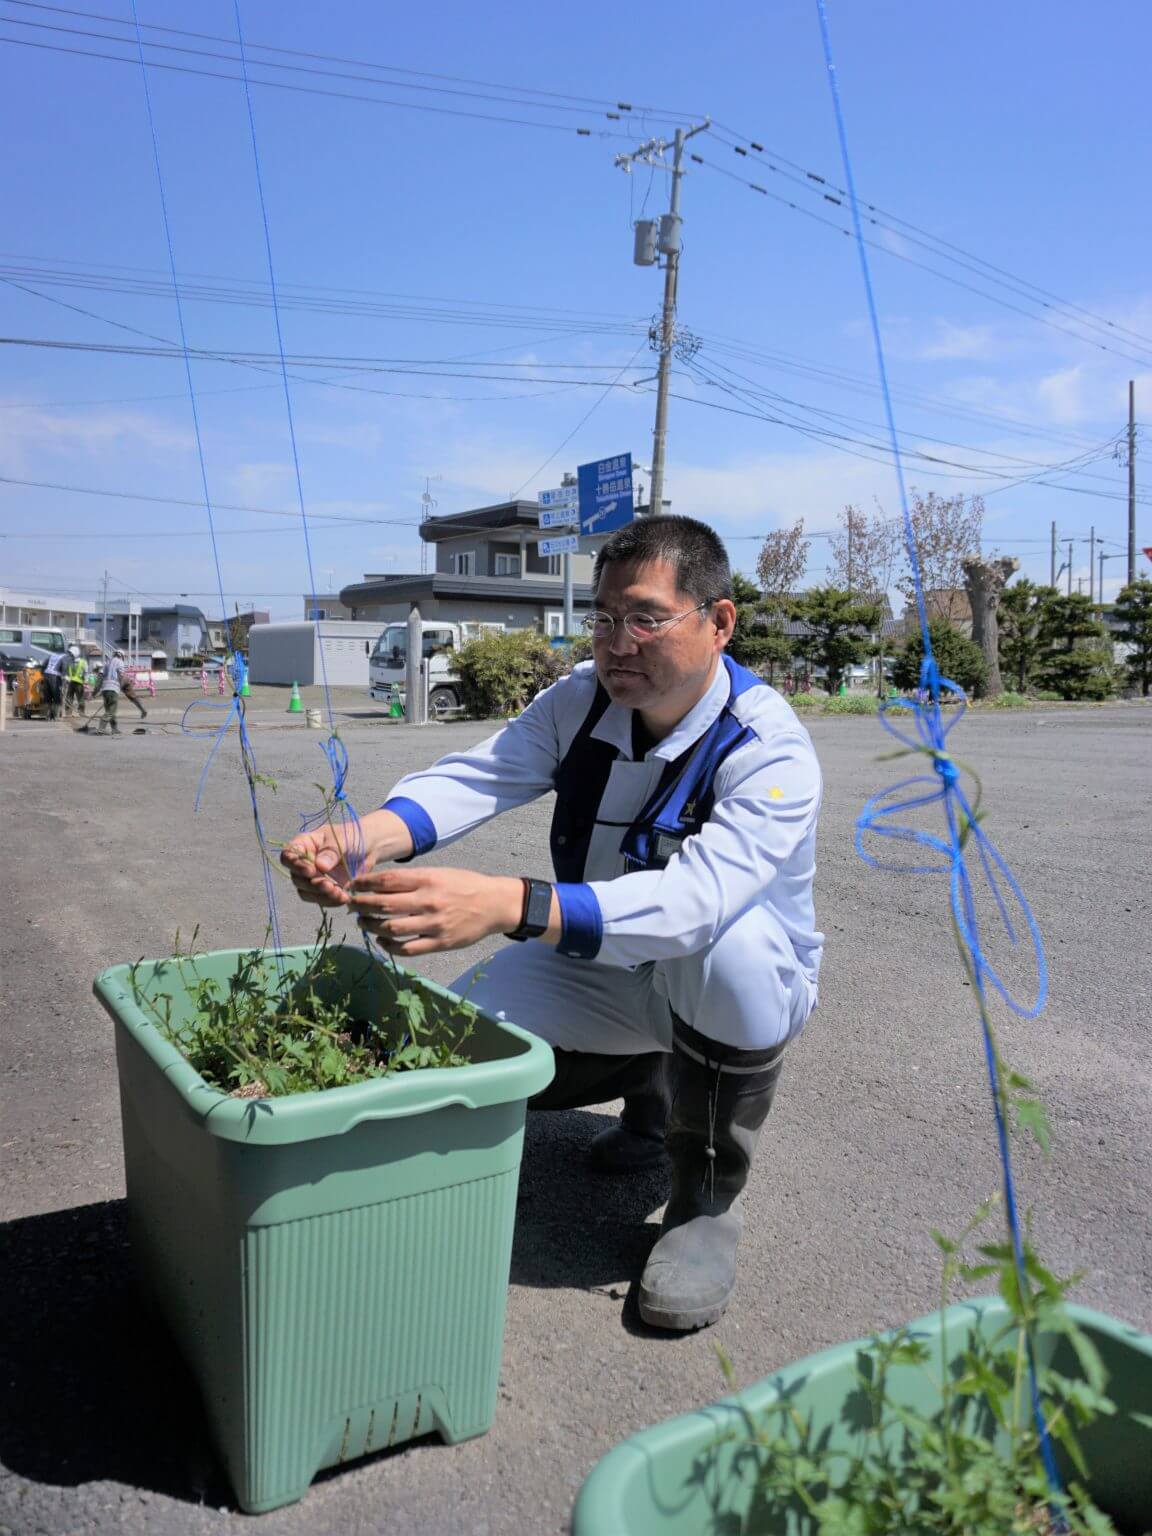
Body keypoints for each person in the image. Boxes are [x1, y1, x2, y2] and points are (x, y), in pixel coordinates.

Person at [282, 516, 823, 1331]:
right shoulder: (580, 703)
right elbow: (483, 774)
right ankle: (653, 1087)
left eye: (645, 618)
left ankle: (705, 1201)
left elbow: (694, 903)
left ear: (719, 623)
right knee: (452, 1053)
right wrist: (362, 840)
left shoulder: (767, 748)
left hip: (727, 981)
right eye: (603, 619)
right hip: (604, 967)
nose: (617, 642)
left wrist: (510, 904)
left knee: (728, 941)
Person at [92, 649, 126, 735]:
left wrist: (95, 692)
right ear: (121, 656)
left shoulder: (107, 662)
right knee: (111, 711)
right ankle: (101, 728)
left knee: (110, 710)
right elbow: (121, 676)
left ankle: (114, 729)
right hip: (113, 689)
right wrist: (121, 686)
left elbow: (100, 678)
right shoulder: (120, 662)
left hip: (105, 689)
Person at [41, 645, 68, 720]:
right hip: (55, 677)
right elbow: (64, 668)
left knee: (47, 696)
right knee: (57, 696)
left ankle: (47, 716)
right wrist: (64, 677)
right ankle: (56, 716)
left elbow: (43, 665)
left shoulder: (51, 655)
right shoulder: (64, 657)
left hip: (46, 675)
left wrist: (43, 674)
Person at [64, 645, 88, 718]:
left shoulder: (83, 662)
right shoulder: (70, 662)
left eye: (71, 653)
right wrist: (66, 680)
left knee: (79, 698)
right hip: (71, 682)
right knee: (69, 697)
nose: (70, 655)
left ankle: (81, 712)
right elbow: (68, 672)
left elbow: (86, 672)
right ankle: (69, 713)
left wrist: (86, 682)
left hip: (79, 683)